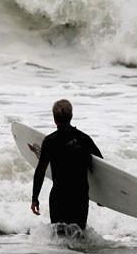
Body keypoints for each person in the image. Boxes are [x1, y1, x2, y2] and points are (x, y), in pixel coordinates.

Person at [30, 99, 103, 232]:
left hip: (59, 197)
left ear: (54, 119)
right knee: (79, 238)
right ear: (71, 116)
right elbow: (101, 167)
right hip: (79, 197)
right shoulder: (84, 139)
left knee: (59, 239)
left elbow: (40, 171)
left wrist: (35, 198)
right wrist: (102, 196)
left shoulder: (50, 142)